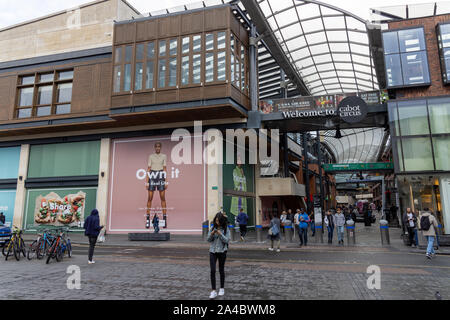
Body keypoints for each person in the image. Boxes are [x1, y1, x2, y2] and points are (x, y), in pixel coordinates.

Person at [207, 212, 230, 299]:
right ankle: (213, 291)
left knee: (221, 270)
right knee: (212, 270)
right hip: (212, 251)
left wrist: (220, 234)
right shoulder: (212, 227)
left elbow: (227, 240)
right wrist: (212, 233)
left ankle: (222, 288)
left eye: (218, 221)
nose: (217, 222)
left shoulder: (225, 229)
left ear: (221, 221)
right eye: (216, 220)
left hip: (222, 251)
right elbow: (208, 239)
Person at [146, 142, 168, 229]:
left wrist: (166, 180)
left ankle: (164, 220)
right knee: (149, 198)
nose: (158, 148)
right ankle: (147, 220)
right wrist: (147, 181)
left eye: (159, 147)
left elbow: (165, 168)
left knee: (162, 197)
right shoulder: (151, 156)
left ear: (161, 148)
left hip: (161, 175)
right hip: (152, 175)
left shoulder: (164, 156)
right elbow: (148, 168)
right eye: (156, 147)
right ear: (155, 148)